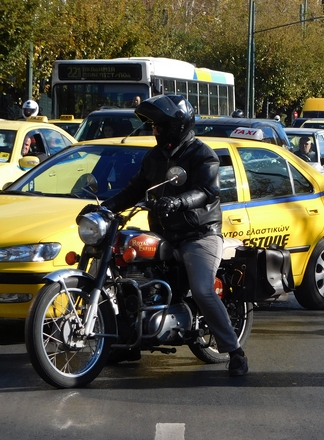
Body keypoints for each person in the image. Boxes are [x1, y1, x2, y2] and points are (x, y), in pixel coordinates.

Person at [78, 95, 248, 376]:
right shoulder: (154, 158)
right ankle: (126, 342)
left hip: (199, 234)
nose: (154, 131)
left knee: (203, 290)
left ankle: (235, 351)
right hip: (164, 234)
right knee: (127, 272)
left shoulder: (202, 154)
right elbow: (134, 190)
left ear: (176, 125)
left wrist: (178, 201)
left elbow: (208, 191)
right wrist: (104, 208)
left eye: (159, 125)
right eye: (153, 125)